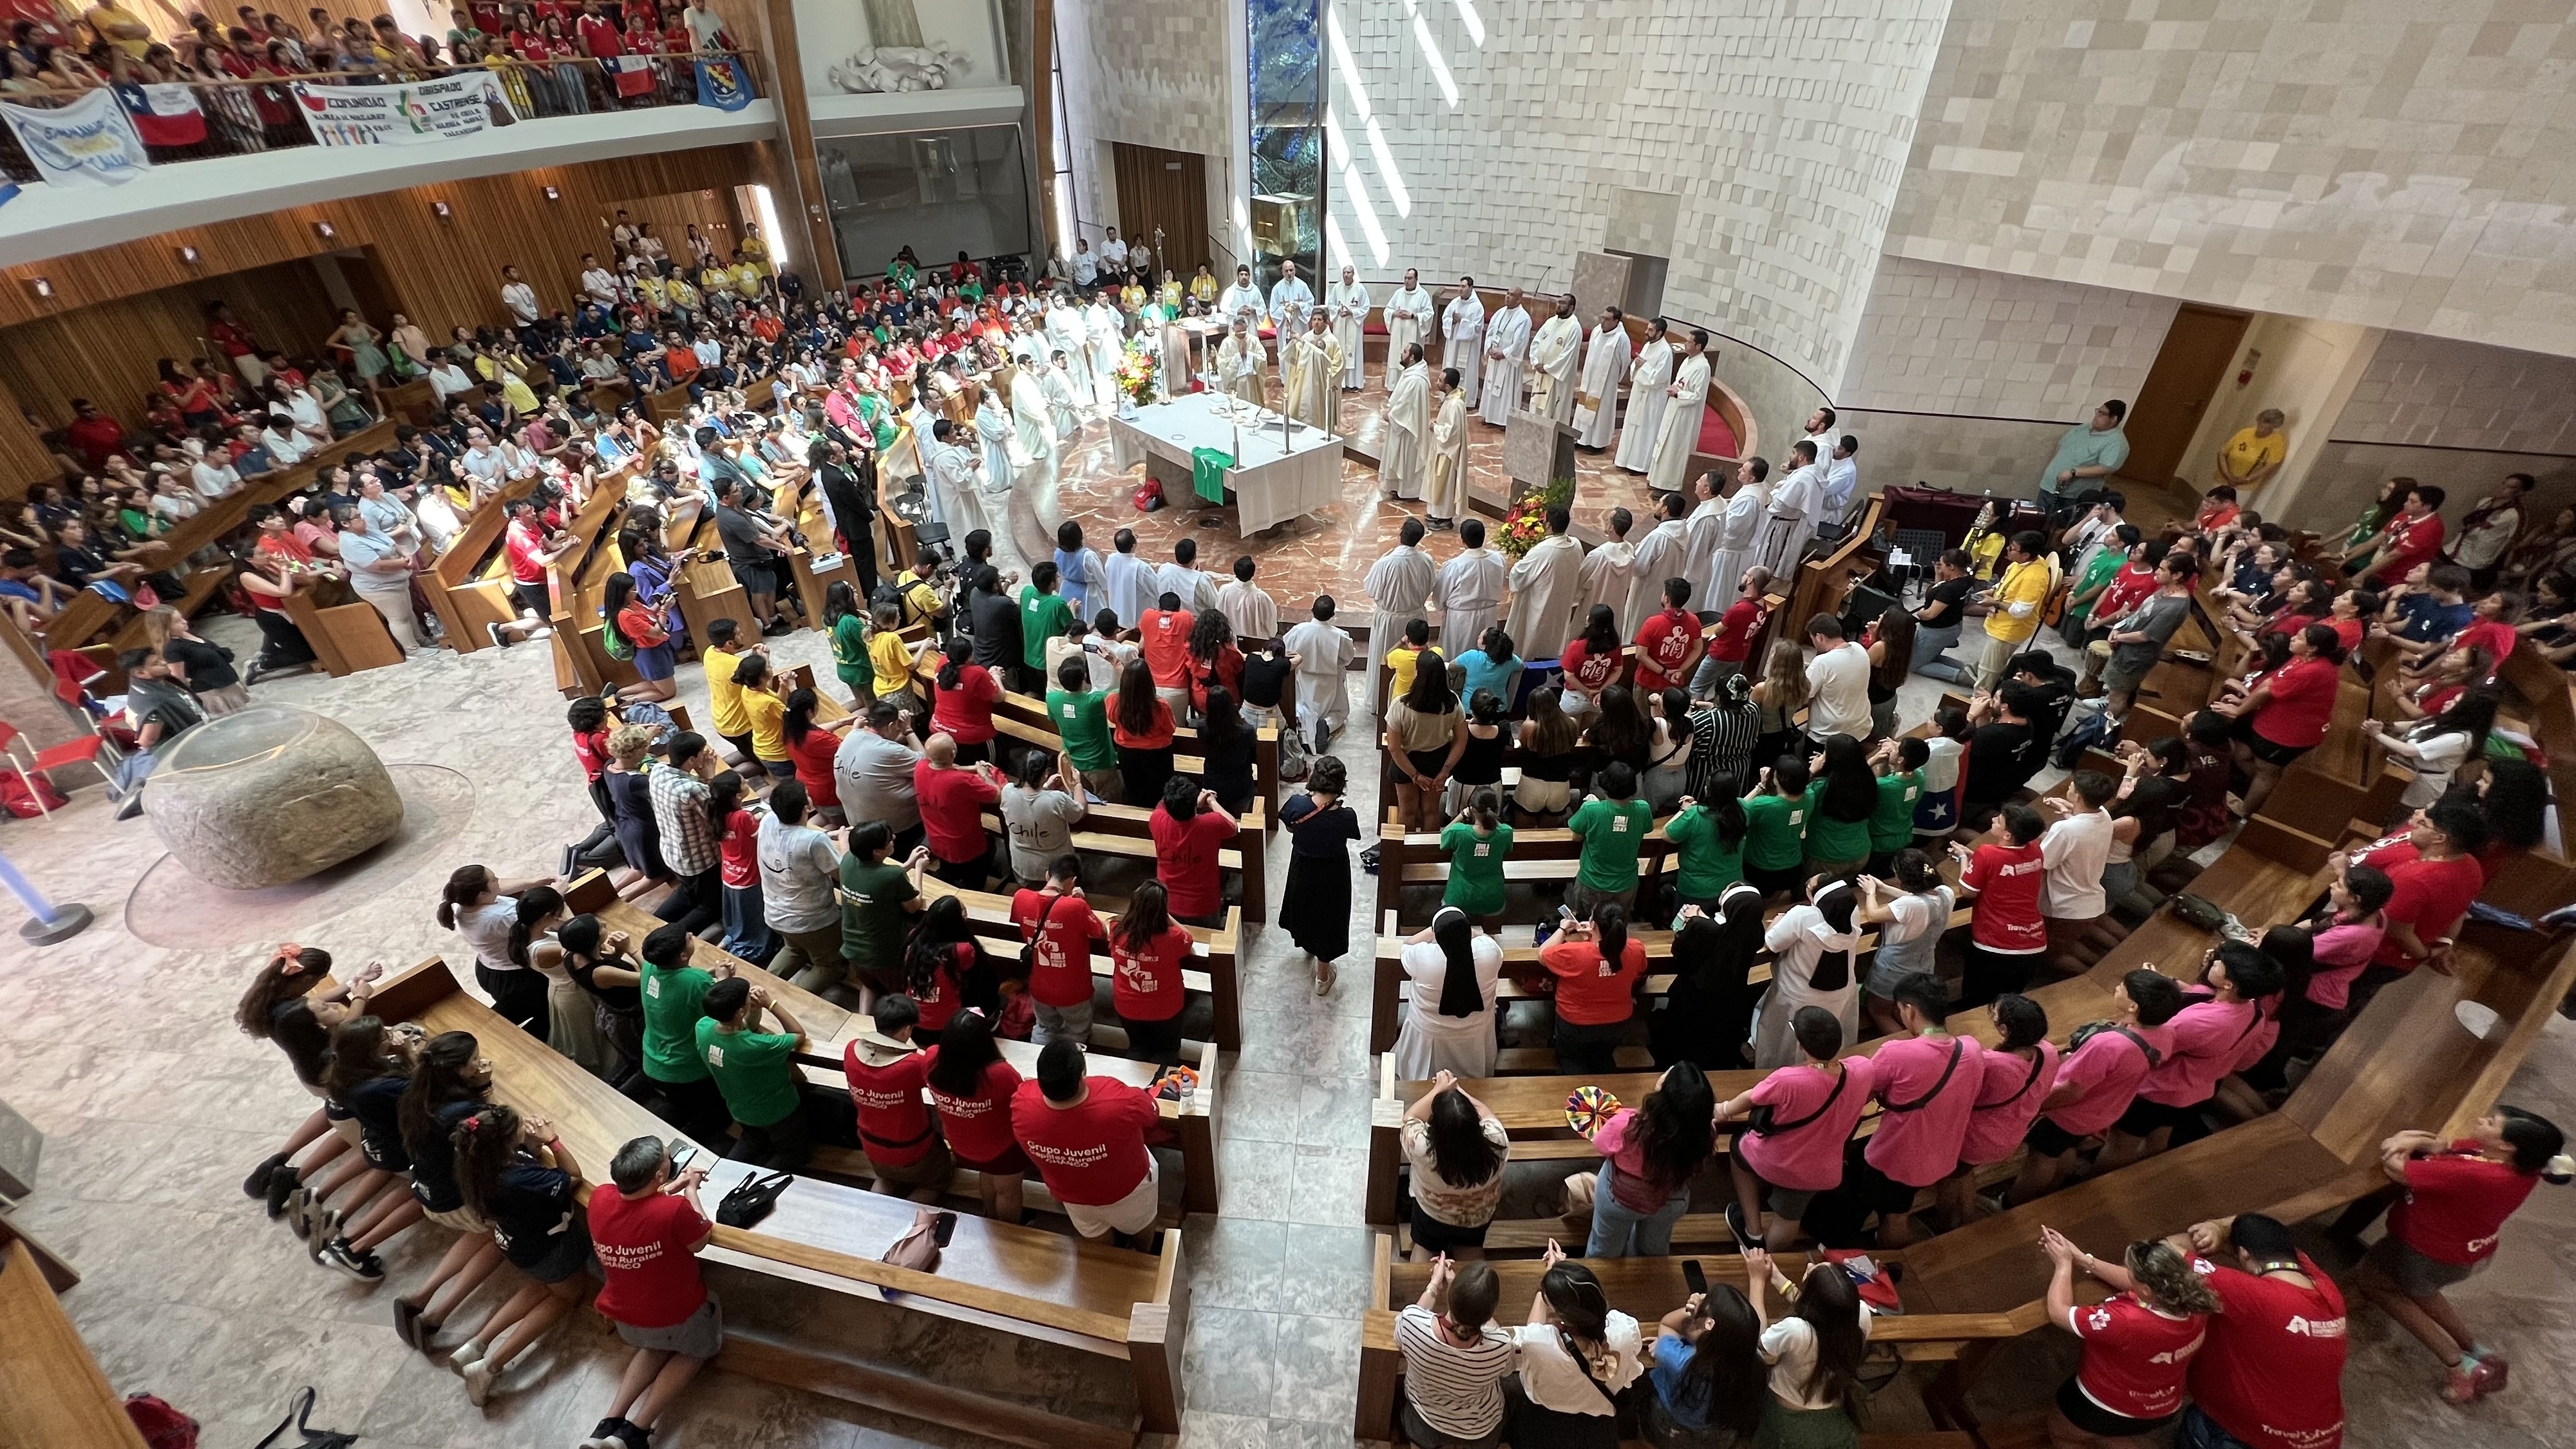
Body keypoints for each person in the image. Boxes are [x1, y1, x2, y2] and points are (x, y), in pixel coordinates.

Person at [2356, 1107, 2572, 1403]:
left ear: (2507, 1145)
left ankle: (2457, 1364)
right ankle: (2475, 1349)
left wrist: (2401, 1140)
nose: (2482, 1119)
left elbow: (2397, 1169)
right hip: (2462, 1254)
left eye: (2491, 1122)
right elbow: (2442, 1146)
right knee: (2424, 1293)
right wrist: (2418, 1142)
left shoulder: (2478, 1174)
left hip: (2423, 1251)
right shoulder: (2523, 1167)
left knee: (2375, 1284)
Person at [582, 1137, 718, 1449]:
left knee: (652, 1349)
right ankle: (635, 1431)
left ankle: (608, 1425)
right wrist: (691, 1190)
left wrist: (670, 1188)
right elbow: (701, 1237)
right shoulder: (672, 1211)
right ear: (659, 1175)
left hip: (624, 1314)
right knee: (695, 1353)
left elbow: (636, 1208)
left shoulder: (600, 1197)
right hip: (675, 1312)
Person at [2007, 970, 2186, 1205]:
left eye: (2123, 987)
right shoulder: (2165, 1033)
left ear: (2134, 1006)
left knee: (2042, 1156)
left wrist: (2036, 1105)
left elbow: (2073, 1089)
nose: (2118, 988)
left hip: (2070, 1112)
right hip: (2104, 1110)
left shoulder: (2108, 1045)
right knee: (2066, 1148)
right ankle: (2055, 1189)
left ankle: (2014, 1202)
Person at [2036, 1228, 2221, 1448]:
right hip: (2165, 1406)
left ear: (2145, 1291)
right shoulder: (2196, 1297)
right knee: (2116, 1435)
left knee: (2062, 1431)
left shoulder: (2128, 1322)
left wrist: (2063, 1265)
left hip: (2107, 1407)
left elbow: (2059, 1312)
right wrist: (2085, 1260)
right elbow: (2137, 1283)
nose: (2128, 1273)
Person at [2174, 1213, 2347, 1449]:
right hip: (2322, 1438)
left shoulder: (2253, 1295)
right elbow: (2266, 1227)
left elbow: (2163, 1253)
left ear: (2244, 1254)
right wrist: (2219, 1228)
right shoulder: (2326, 1288)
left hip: (2249, 1435)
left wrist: (2216, 1230)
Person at [1014, 1036, 1164, 1247]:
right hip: (1129, 1192)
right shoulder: (1117, 1099)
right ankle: (1146, 1256)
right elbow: (1152, 1113)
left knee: (1100, 1248)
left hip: (1074, 1198)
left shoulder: (1022, 1103)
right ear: (1082, 1075)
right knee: (1143, 1237)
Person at [1511, 1249, 1642, 1449]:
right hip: (1600, 1423)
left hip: (1546, 1419)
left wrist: (1549, 1282)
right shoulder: (1625, 1332)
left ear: (1561, 1314)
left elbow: (1533, 1331)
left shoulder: (1540, 1343)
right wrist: (1561, 1277)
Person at [1741, 1249, 1871, 1449]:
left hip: (1785, 1414)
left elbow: (1759, 1339)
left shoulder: (1797, 1331)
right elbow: (1826, 1309)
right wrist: (1776, 1276)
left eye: (1812, 1270)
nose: (1809, 1265)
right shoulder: (1859, 1316)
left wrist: (1757, 1280)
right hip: (1832, 1407)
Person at [1397, 1254, 1516, 1449]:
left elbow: (1410, 1320)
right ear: (1490, 1312)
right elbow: (1508, 1371)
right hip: (1481, 1433)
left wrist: (1435, 1283)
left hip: (1426, 1423)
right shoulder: (1501, 1346)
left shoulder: (1411, 1324)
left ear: (1450, 1299)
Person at [694, 976, 810, 1169]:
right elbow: (799, 1034)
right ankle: (759, 1187)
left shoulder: (703, 1028)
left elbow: (744, 1027)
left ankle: (726, 1173)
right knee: (795, 1154)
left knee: (755, 1140)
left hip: (741, 1110)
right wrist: (771, 1003)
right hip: (779, 1113)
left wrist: (753, 1010)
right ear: (740, 1012)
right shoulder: (758, 1046)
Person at [1754, 876, 1861, 1069]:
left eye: (1810, 885)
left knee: (1786, 1043)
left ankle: (1781, 1072)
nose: (1807, 886)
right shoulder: (1852, 911)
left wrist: (1778, 921)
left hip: (1797, 995)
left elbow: (1771, 943)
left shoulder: (1803, 915)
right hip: (1840, 992)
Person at [1645, 1281, 1767, 1449]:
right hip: (1721, 1432)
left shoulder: (1681, 1361)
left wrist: (1690, 1313)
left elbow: (1666, 1324)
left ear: (1708, 1326)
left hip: (1675, 1426)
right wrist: (1702, 1315)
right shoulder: (1753, 1360)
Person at [1402, 1071, 1510, 1262]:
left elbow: (1410, 1118)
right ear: (1476, 1124)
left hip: (1432, 1215)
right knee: (1471, 1248)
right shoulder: (1498, 1142)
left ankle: (1421, 1286)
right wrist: (1458, 1090)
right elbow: (1487, 1114)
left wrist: (1439, 1090)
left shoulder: (1423, 1149)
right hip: (1478, 1218)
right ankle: (1473, 1286)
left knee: (1425, 1246)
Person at [1280, 757, 1363, 990]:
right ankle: (1323, 977)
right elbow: (1352, 836)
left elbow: (1289, 826)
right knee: (1329, 918)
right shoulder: (1346, 816)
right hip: (1333, 872)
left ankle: (1308, 943)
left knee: (1304, 907)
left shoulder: (1296, 804)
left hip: (1303, 867)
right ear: (1340, 785)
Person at [1395, 906, 1504, 1080]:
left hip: (1429, 1031)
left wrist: (1435, 929)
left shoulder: (1425, 957)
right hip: (1477, 1029)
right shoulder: (1488, 952)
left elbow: (1406, 946)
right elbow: (1488, 939)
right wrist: (1463, 929)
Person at [1012, 853, 1110, 1046]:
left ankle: (1035, 1066)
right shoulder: (1075, 907)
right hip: (1074, 990)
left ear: (1047, 875)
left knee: (1044, 1028)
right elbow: (1101, 931)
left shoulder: (1021, 897)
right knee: (1077, 1033)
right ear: (1073, 881)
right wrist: (1082, 902)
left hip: (1039, 985)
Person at [1108, 879, 1193, 1066]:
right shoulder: (1173, 938)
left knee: (1137, 1048)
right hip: (1165, 1009)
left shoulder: (1116, 930)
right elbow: (1188, 937)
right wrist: (1168, 916)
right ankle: (1161, 1088)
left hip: (1127, 1006)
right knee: (1167, 1051)